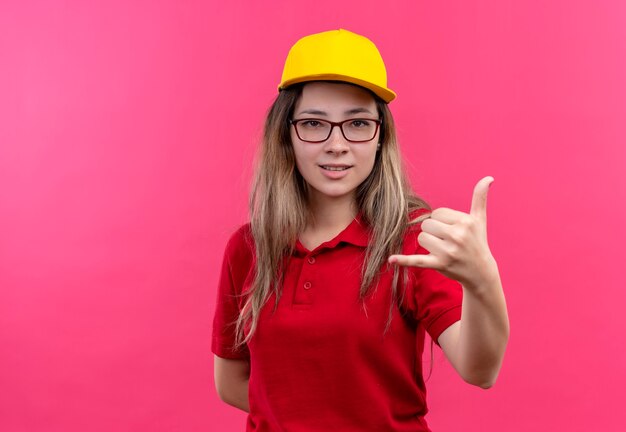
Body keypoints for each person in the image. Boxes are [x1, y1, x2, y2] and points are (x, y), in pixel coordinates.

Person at [212, 28, 509, 431]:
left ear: (380, 137)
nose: (337, 144)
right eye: (315, 123)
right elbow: (231, 382)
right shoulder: (248, 247)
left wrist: (483, 281)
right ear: (286, 135)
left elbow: (480, 371)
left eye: (357, 123)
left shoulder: (412, 242)